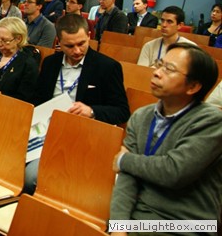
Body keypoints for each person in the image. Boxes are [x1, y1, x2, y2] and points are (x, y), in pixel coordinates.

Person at [110, 43, 221, 234]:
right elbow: (127, 179)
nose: (156, 72)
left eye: (169, 69)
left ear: (193, 86)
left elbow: (174, 171)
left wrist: (124, 160)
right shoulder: (141, 116)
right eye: (159, 64)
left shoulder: (212, 121)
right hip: (140, 217)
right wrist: (118, 227)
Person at [25, 14, 130, 194]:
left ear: (89, 36)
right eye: (69, 46)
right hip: (46, 131)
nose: (77, 51)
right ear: (59, 42)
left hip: (85, 136)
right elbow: (37, 100)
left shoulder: (107, 67)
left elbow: (122, 111)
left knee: (32, 177)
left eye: (81, 43)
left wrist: (92, 111)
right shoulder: (50, 63)